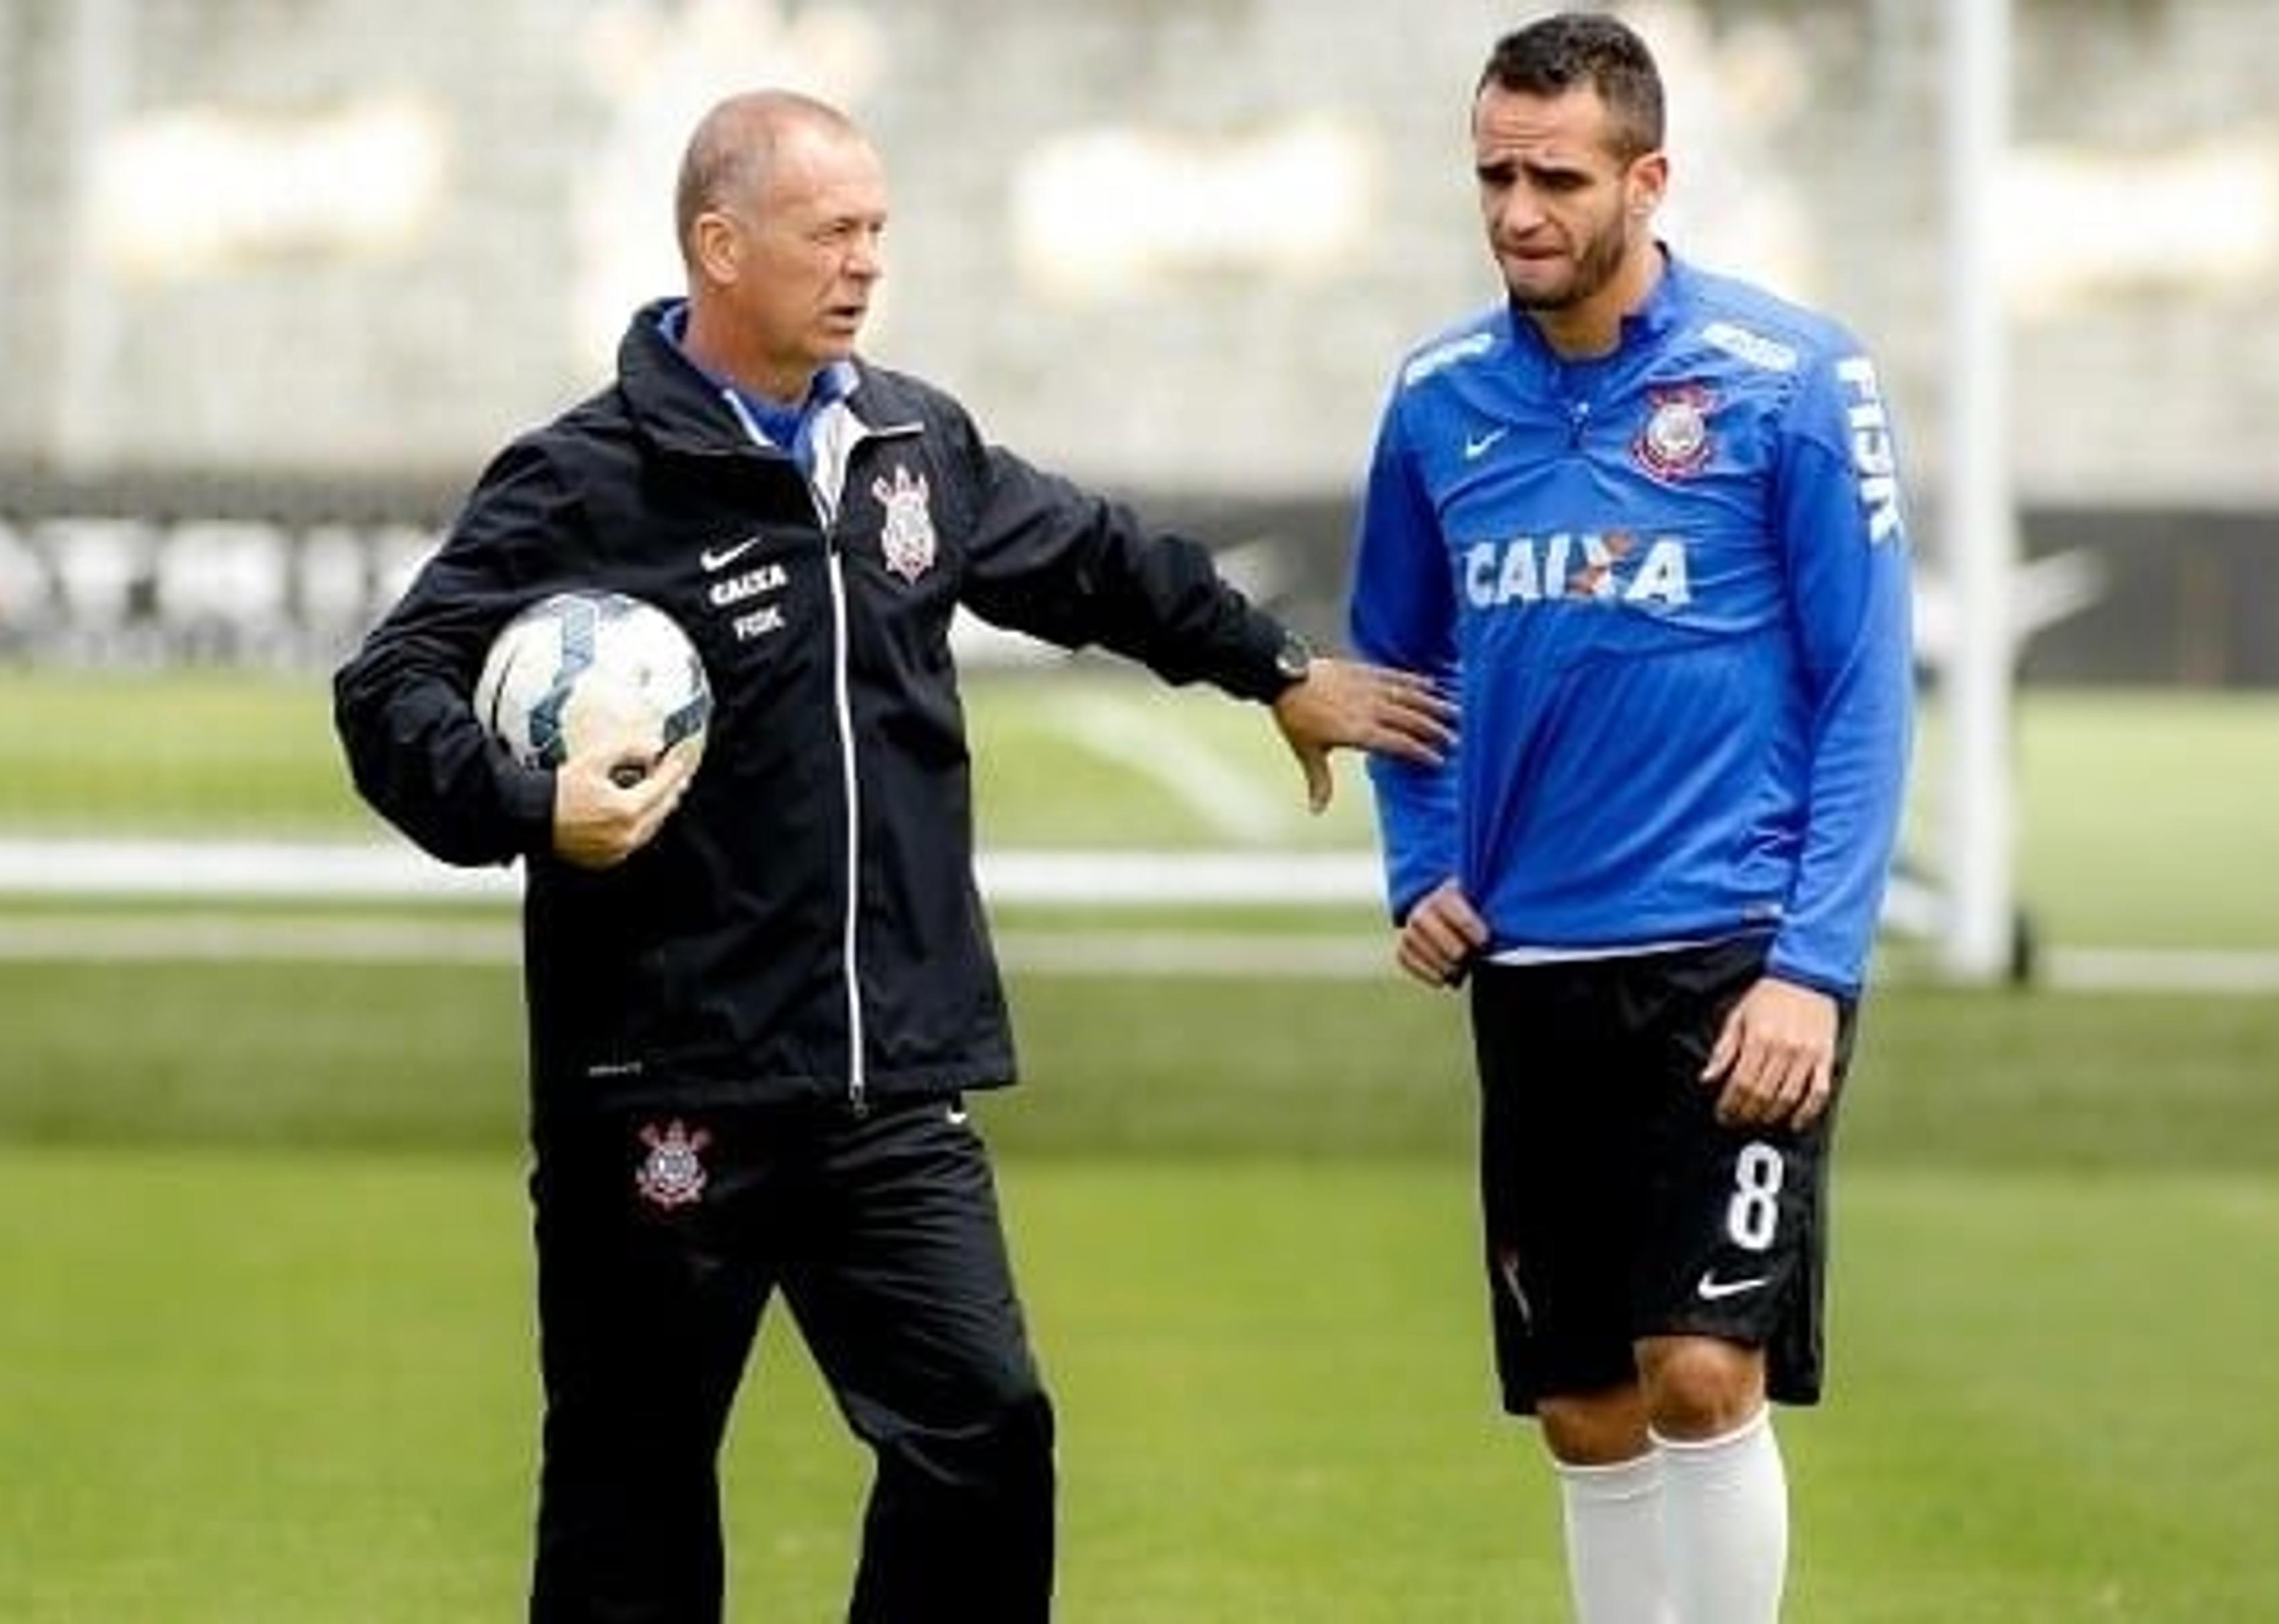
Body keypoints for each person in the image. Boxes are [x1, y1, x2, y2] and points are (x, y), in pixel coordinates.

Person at [334, 88, 1451, 1623]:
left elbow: (1090, 560)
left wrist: (1271, 664)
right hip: (663, 1093)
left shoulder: (910, 443)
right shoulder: (584, 480)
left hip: (887, 1089)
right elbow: (388, 686)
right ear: (720, 248)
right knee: (632, 1497)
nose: (865, 264)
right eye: (829, 233)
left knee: (988, 1439)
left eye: (876, 232)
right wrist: (531, 807)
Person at [1346, 14, 1915, 1624]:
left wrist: (1814, 961)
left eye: (1558, 177)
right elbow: (1393, 660)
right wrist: (1421, 862)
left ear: (1650, 179)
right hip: (1530, 969)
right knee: (1586, 1401)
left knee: (1699, 1368)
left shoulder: (1795, 380)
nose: (1520, 210)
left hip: (1732, 966)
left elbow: (1869, 684)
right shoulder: (1438, 399)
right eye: (1494, 175)